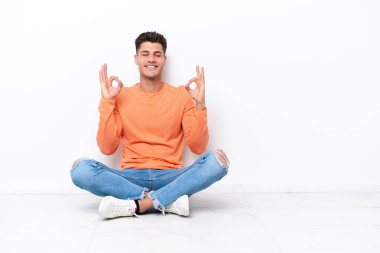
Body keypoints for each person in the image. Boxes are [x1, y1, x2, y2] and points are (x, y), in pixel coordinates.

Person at [70, 31, 230, 218]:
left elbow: (198, 146)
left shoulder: (181, 96)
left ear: (164, 59)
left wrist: (200, 105)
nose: (151, 59)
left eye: (157, 54)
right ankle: (165, 201)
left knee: (218, 161)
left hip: (171, 176)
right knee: (80, 169)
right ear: (136, 59)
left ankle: (139, 204)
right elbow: (107, 148)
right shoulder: (121, 97)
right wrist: (107, 102)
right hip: (130, 177)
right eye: (145, 54)